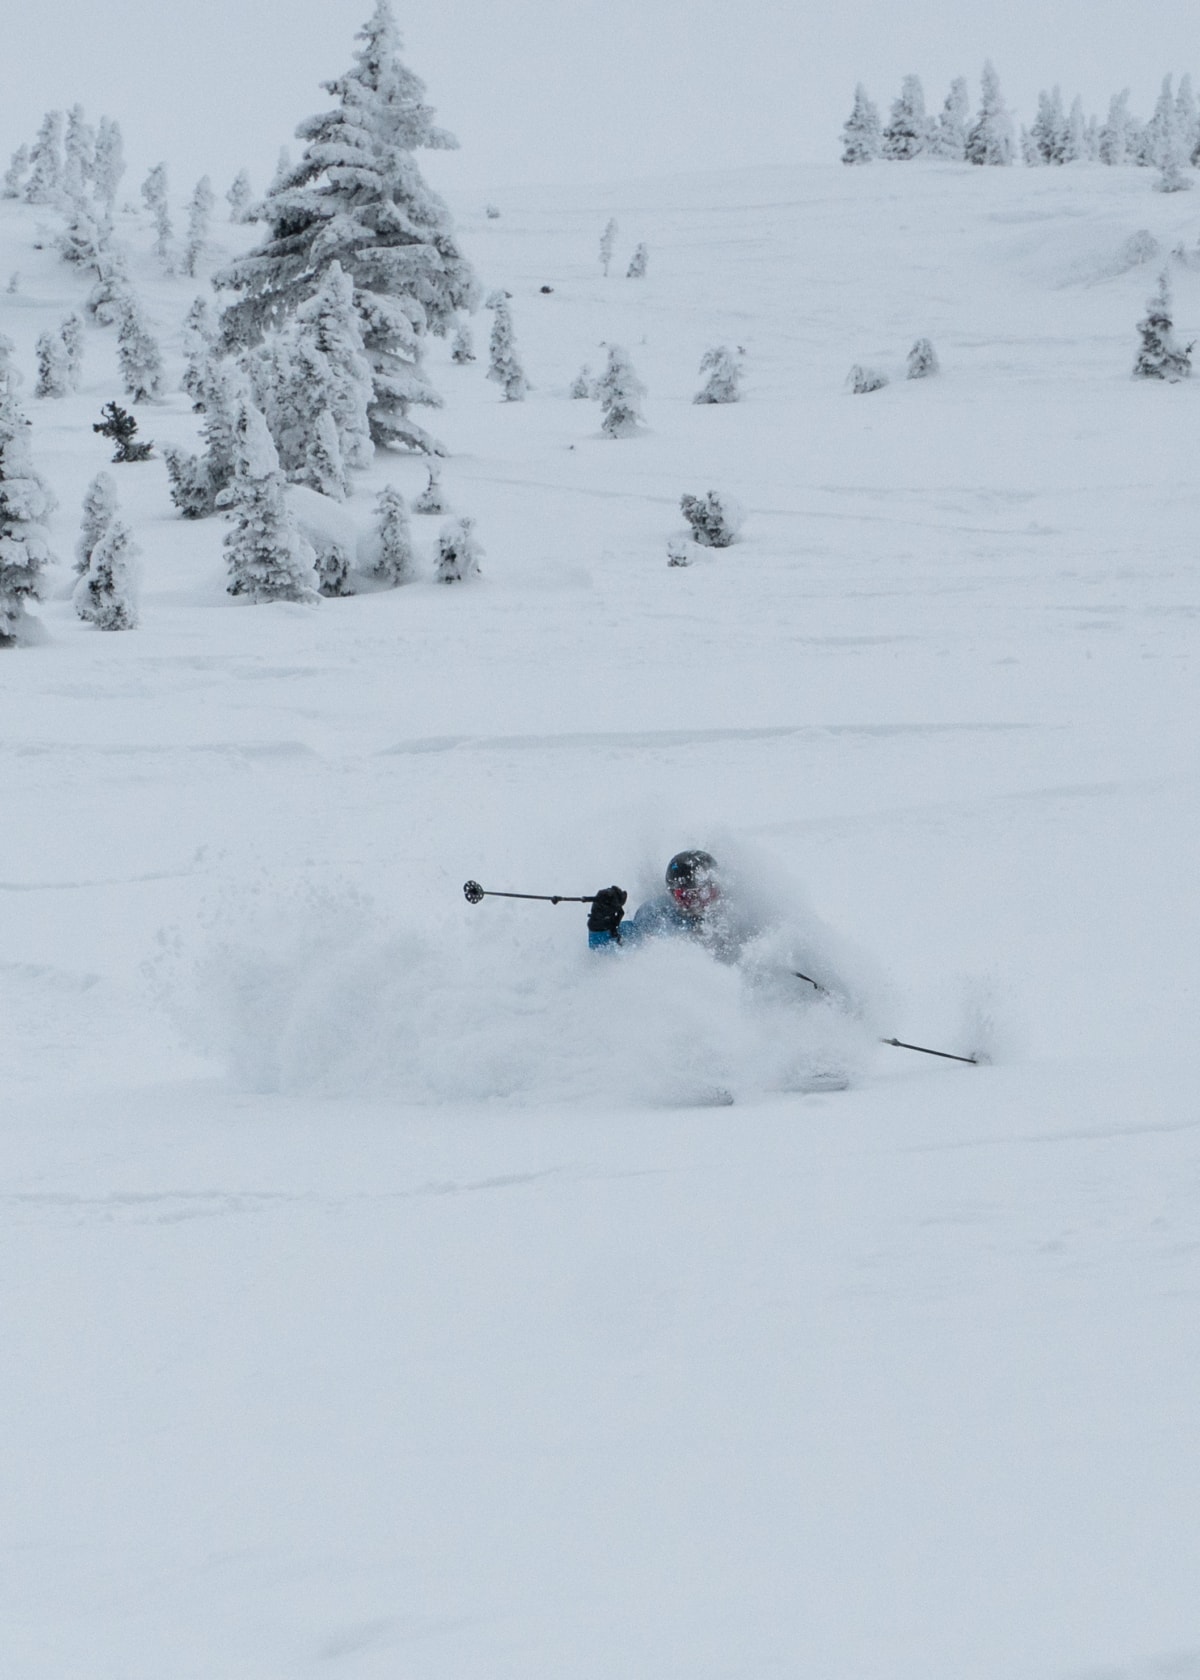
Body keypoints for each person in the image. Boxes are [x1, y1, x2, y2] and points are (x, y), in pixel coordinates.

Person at [587, 850, 749, 961]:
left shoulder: (738, 914)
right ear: (671, 894)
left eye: (704, 893)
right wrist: (601, 922)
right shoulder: (658, 917)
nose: (696, 903)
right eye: (684, 896)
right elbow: (605, 950)